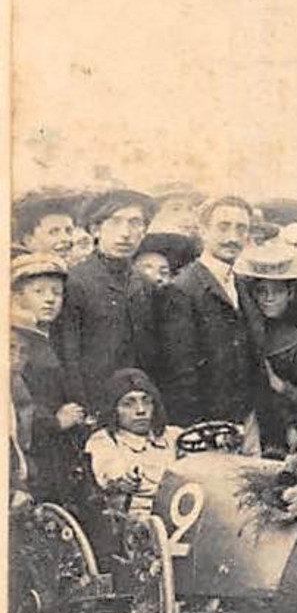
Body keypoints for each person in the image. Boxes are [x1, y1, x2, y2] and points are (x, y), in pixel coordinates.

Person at [158, 195, 263, 427]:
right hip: (207, 426)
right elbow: (180, 372)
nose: (233, 237)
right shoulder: (182, 289)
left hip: (246, 422)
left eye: (241, 228)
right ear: (203, 231)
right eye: (223, 227)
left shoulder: (243, 286)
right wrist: (198, 430)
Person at [55, 189, 161, 410]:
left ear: (144, 231)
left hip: (141, 407)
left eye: (135, 223)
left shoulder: (146, 285)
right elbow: (69, 357)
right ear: (96, 229)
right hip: (96, 403)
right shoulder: (75, 282)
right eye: (115, 222)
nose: (125, 233)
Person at [234, 240, 297, 458]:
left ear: (290, 294)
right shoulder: (241, 331)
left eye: (277, 291)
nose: (269, 298)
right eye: (262, 291)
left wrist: (281, 386)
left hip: (281, 433)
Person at [11, 253, 85, 509]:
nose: (50, 299)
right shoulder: (17, 342)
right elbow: (17, 401)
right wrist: (55, 422)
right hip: (36, 447)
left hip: (55, 447)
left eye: (57, 292)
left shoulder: (49, 337)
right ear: (17, 297)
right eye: (39, 291)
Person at [83, 367, 182, 510]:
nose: (141, 410)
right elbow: (110, 470)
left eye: (147, 401)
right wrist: (121, 479)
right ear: (114, 409)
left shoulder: (174, 435)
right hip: (140, 518)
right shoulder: (104, 440)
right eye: (128, 404)